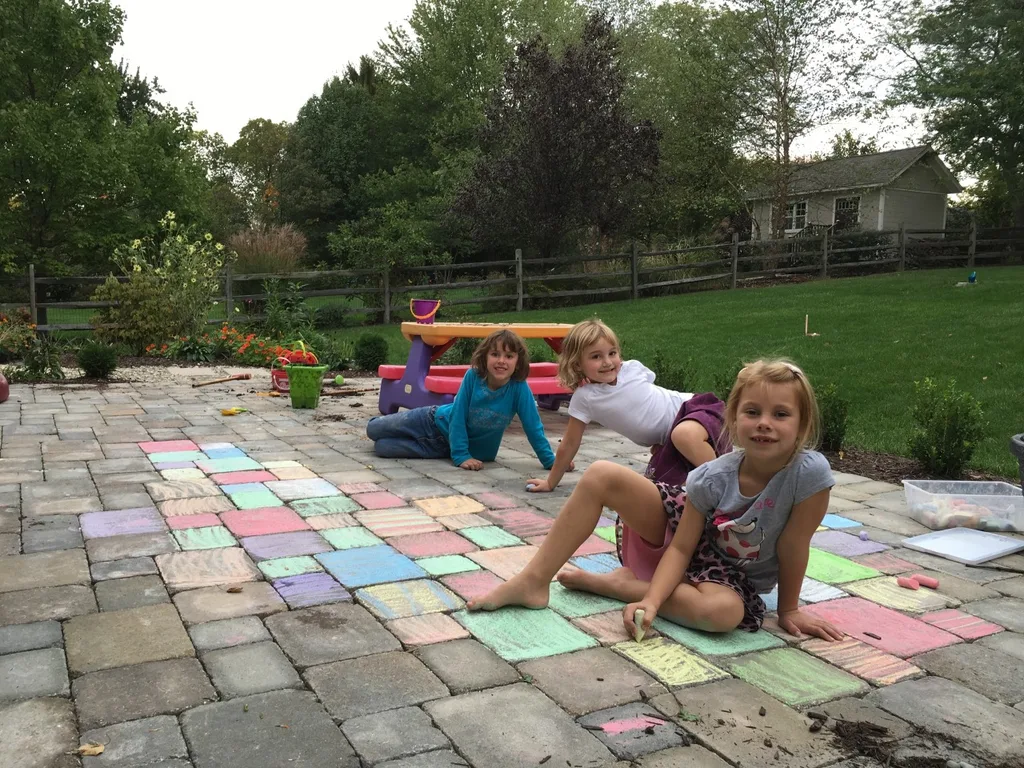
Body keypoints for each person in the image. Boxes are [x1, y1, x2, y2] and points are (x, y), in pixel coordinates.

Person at [469, 359, 843, 642]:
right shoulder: (711, 475)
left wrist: (789, 608)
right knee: (601, 473)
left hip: (730, 573)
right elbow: (681, 549)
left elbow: (795, 545)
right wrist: (655, 604)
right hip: (683, 534)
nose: (764, 423)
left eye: (780, 414)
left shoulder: (807, 474)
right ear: (732, 418)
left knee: (723, 614)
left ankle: (621, 586)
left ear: (802, 424)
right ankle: (533, 581)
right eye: (752, 412)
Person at [526, 318, 727, 492]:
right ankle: (711, 482)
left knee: (683, 436)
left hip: (695, 409)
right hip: (672, 438)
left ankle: (726, 487)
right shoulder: (585, 398)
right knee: (657, 484)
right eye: (596, 356)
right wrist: (551, 482)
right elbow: (569, 443)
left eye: (612, 353)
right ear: (577, 364)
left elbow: (655, 400)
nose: (607, 362)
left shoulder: (631, 369)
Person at [366, 329, 556, 472]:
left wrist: (551, 462)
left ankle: (408, 441)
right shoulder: (473, 377)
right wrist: (461, 455)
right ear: (485, 356)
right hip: (433, 421)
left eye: (509, 356)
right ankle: (398, 430)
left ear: (518, 361)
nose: (501, 361)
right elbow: (458, 415)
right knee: (373, 429)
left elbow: (533, 427)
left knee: (383, 447)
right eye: (495, 354)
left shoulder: (519, 389)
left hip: (442, 447)